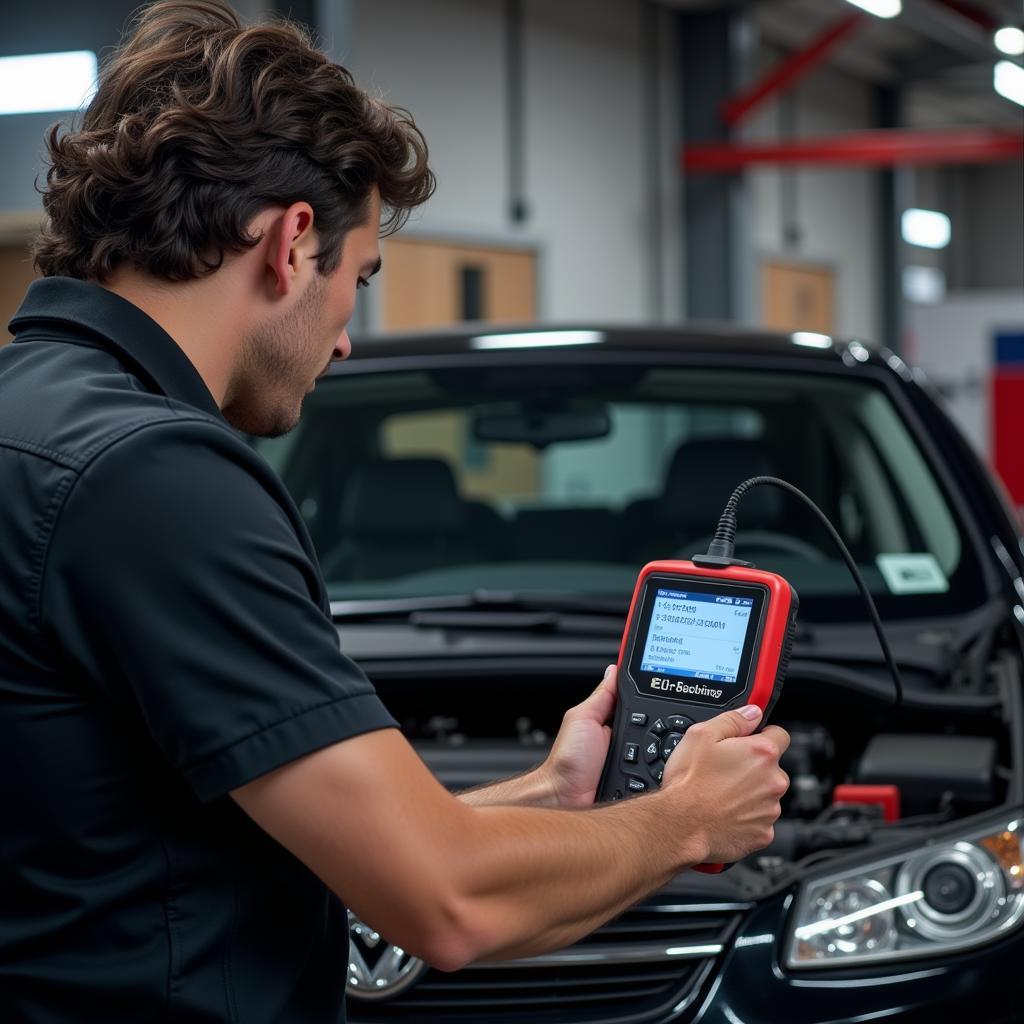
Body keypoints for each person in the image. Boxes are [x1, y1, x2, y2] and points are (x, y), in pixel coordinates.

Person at [0, 2, 790, 1021]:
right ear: (291, 243)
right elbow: (446, 900)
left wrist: (548, 795)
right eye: (358, 281)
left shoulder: (28, 413)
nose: (344, 343)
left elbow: (172, 829)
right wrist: (689, 818)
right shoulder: (156, 479)